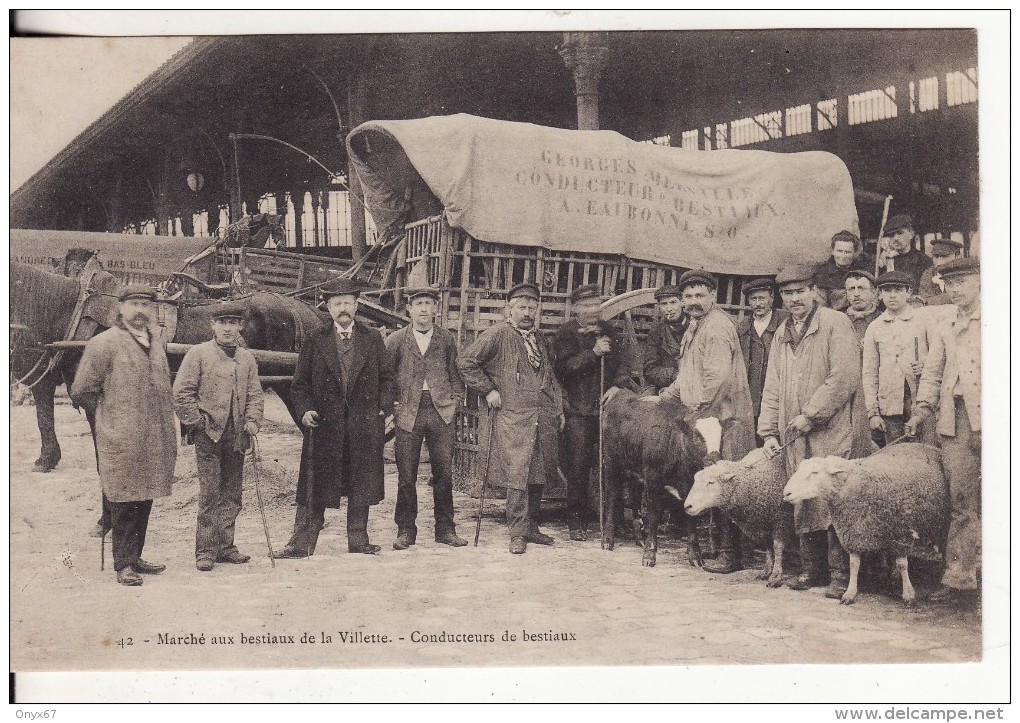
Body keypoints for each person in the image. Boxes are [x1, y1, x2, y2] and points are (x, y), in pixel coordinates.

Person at [759, 265, 863, 598]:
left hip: (830, 428)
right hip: (793, 430)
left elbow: (844, 376)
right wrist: (769, 430)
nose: (794, 300)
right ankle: (811, 569)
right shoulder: (781, 332)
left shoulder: (835, 323)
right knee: (803, 496)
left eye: (800, 292)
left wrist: (811, 414)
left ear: (814, 291)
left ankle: (839, 574)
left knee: (830, 495)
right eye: (787, 294)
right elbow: (772, 383)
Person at [273, 278, 396, 558]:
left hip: (362, 425)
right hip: (325, 427)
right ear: (328, 308)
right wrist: (304, 410)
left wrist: (383, 406)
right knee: (314, 485)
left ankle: (358, 540)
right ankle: (301, 543)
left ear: (356, 306)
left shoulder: (373, 339)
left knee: (360, 482)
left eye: (348, 303)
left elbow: (388, 378)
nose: (343, 308)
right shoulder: (315, 341)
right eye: (337, 303)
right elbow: (299, 385)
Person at [70, 285, 177, 586]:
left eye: (146, 304)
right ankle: (123, 564)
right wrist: (109, 418)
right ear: (120, 308)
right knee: (123, 496)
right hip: (122, 435)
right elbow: (81, 390)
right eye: (134, 304)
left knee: (144, 494)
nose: (141, 310)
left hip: (153, 434)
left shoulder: (155, 342)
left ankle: (135, 555)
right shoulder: (104, 343)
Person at [652, 270, 757, 573]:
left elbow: (716, 378)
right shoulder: (696, 326)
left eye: (700, 295)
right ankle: (721, 546)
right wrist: (663, 399)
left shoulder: (717, 328)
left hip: (725, 421)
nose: (693, 302)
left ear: (713, 296)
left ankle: (731, 553)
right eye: (688, 296)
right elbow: (687, 376)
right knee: (715, 481)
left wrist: (693, 412)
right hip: (709, 420)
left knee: (725, 483)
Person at [458, 282, 563, 554]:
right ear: (510, 309)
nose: (527, 312)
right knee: (518, 473)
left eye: (532, 307)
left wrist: (558, 409)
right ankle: (517, 532)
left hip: (542, 415)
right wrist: (489, 389)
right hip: (514, 418)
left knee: (538, 471)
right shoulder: (498, 334)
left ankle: (532, 528)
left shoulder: (539, 339)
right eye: (521, 307)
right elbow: (466, 362)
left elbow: (549, 377)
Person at [906, 257, 981, 606]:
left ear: (979, 281)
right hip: (956, 419)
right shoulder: (947, 322)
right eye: (950, 284)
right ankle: (960, 579)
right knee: (961, 501)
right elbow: (933, 370)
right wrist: (923, 408)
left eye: (963, 282)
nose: (956, 289)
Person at [173, 301, 265, 572]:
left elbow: (255, 394)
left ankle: (226, 546)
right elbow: (181, 393)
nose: (227, 328)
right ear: (213, 325)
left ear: (240, 327)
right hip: (208, 434)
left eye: (233, 323)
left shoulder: (246, 358)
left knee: (233, 494)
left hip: (237, 436)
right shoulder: (198, 354)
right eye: (222, 323)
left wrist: (252, 420)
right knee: (210, 493)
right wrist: (197, 422)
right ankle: (206, 550)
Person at [385, 286, 468, 550]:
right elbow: (386, 376)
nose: (423, 309)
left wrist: (455, 400)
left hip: (441, 411)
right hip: (408, 411)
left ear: (436, 309)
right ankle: (406, 530)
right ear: (409, 309)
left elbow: (456, 372)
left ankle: (445, 529)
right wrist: (392, 404)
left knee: (443, 473)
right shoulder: (397, 340)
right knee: (407, 474)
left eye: (428, 304)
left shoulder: (446, 339)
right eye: (418, 303)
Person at [551, 284, 636, 541]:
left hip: (606, 410)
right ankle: (576, 522)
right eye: (586, 305)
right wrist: (593, 353)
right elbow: (563, 370)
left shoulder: (608, 330)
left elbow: (621, 364)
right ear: (576, 307)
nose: (592, 310)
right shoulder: (565, 334)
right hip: (578, 410)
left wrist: (616, 386)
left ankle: (614, 521)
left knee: (613, 466)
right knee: (578, 467)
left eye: (595, 305)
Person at [862, 271, 935, 448]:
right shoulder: (874, 327)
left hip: (920, 401)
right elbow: (869, 373)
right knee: (896, 455)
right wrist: (873, 412)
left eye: (898, 290)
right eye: (887, 291)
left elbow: (938, 359)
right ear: (879, 295)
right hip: (889, 404)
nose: (892, 295)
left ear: (909, 293)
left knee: (926, 451)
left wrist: (924, 364)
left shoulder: (924, 320)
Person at [736, 277, 789, 443]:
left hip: (778, 397)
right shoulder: (743, 327)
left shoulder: (785, 321)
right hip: (750, 399)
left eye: (762, 298)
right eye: (753, 299)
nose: (758, 304)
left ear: (771, 298)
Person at [643, 285, 689, 392]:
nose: (669, 309)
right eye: (664, 304)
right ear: (659, 306)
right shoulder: (656, 333)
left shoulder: (695, 326)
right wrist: (674, 375)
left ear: (682, 303)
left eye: (673, 302)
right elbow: (650, 370)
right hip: (669, 388)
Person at [813, 231, 873, 311]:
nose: (843, 256)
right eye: (839, 251)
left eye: (847, 252)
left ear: (854, 253)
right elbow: (821, 306)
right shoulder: (823, 274)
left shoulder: (863, 270)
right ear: (833, 251)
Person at [877, 214, 934, 293]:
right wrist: (880, 265)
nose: (895, 238)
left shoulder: (924, 260)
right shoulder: (883, 261)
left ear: (911, 234)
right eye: (891, 235)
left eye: (900, 233)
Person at [918, 238, 963, 306]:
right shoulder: (928, 273)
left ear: (957, 257)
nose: (939, 262)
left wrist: (931, 301)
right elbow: (924, 299)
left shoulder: (964, 272)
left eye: (944, 256)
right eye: (936, 257)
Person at [843, 269, 882, 342]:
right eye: (852, 289)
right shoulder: (840, 321)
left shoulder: (882, 320)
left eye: (861, 288)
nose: (856, 294)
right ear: (846, 294)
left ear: (873, 292)